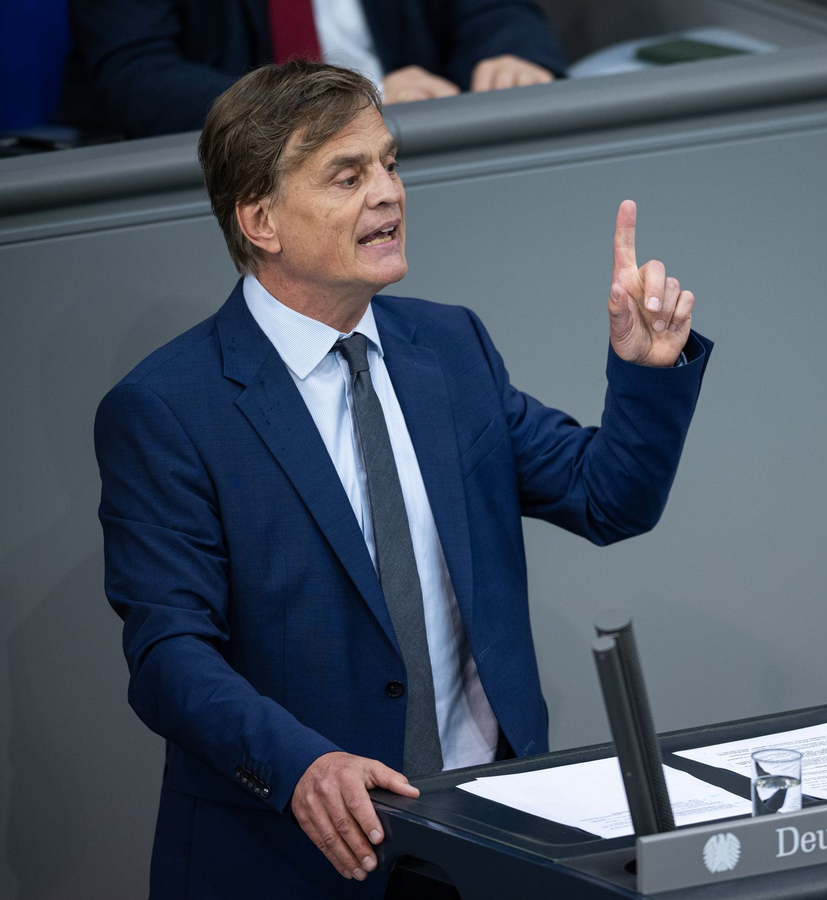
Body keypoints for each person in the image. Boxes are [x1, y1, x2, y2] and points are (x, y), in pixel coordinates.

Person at [93, 60, 711, 898]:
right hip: (293, 857)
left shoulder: (451, 348)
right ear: (261, 219)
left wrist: (646, 371)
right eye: (348, 176)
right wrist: (303, 767)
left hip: (488, 839)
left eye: (389, 164)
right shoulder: (168, 408)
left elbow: (608, 498)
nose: (388, 193)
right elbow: (169, 655)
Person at [59, 0, 565, 138]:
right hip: (241, 175)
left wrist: (512, 56)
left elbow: (496, 11)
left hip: (417, 141)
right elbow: (134, 75)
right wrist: (346, 102)